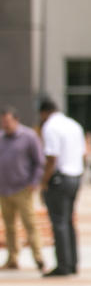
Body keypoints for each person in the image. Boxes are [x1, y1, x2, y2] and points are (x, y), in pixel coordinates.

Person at [38, 99, 87, 277]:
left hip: (60, 178)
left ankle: (63, 265)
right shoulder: (74, 125)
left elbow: (51, 158)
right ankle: (72, 262)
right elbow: (84, 154)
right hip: (75, 176)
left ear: (44, 112)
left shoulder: (50, 127)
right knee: (69, 221)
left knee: (58, 222)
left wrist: (44, 181)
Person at [0, 107, 46, 271]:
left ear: (16, 120)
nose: (5, 125)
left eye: (8, 121)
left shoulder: (29, 137)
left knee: (30, 224)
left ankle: (38, 257)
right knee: (9, 226)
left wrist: (34, 182)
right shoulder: (1, 138)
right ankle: (12, 258)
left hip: (23, 188)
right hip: (4, 190)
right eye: (3, 121)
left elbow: (39, 161)